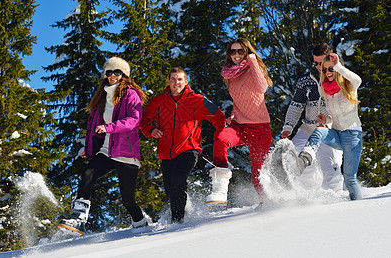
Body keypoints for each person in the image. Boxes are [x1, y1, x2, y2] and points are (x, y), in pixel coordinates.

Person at [58, 57, 147, 235]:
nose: (112, 76)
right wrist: (89, 149)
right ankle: (79, 217)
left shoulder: (130, 94)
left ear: (124, 75)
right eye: (109, 72)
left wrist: (109, 128)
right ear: (104, 75)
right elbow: (93, 128)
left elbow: (133, 120)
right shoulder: (102, 97)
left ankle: (142, 225)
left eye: (117, 72)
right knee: (87, 173)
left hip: (125, 152)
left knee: (128, 200)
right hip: (107, 150)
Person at [139, 67, 226, 223]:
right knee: (170, 189)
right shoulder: (158, 102)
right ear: (168, 81)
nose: (176, 82)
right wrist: (151, 130)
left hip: (189, 150)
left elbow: (219, 116)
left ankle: (177, 222)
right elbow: (143, 119)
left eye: (179, 79)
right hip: (166, 154)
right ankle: (185, 213)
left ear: (186, 82)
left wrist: (219, 137)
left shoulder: (198, 100)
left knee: (179, 178)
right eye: (173, 79)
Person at [208, 38, 273, 206]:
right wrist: (233, 114)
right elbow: (239, 98)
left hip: (259, 128)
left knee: (258, 175)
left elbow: (261, 88)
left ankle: (268, 204)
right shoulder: (229, 74)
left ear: (247, 52)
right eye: (232, 51)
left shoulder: (253, 68)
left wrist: (252, 61)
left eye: (240, 51)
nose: (236, 55)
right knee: (221, 140)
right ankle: (220, 188)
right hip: (239, 125)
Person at [296, 52, 363, 200]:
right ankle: (306, 156)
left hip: (352, 136)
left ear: (338, 69)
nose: (327, 72)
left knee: (349, 179)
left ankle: (358, 207)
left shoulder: (349, 85)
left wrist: (337, 66)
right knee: (319, 129)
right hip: (337, 134)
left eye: (330, 69)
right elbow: (333, 116)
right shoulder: (324, 90)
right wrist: (325, 119)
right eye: (325, 70)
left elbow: (358, 79)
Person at [281, 43, 344, 191]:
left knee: (331, 163)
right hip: (309, 125)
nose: (318, 66)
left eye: (321, 63)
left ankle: (334, 197)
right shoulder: (306, 80)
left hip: (331, 127)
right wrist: (288, 127)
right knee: (295, 152)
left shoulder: (341, 79)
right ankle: (309, 189)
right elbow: (296, 104)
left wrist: (329, 120)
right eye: (315, 63)